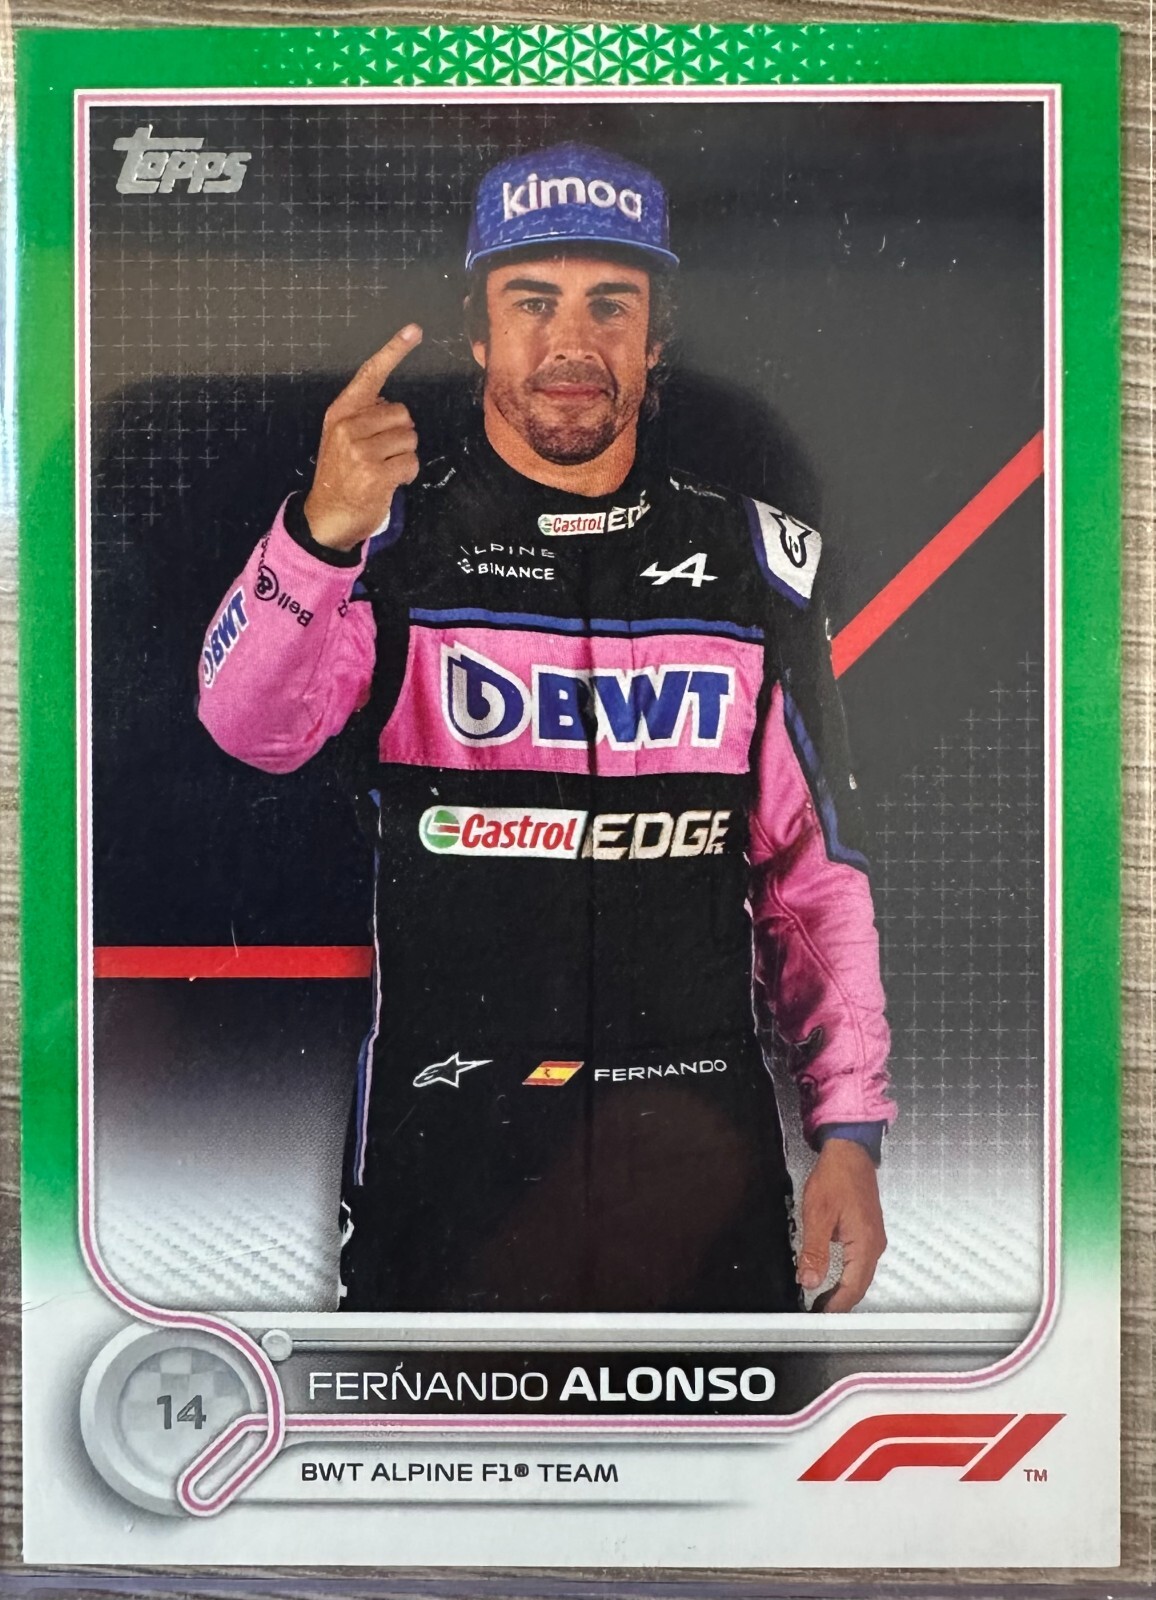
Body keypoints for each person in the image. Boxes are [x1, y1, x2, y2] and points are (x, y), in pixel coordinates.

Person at [198, 141, 895, 1315]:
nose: (572, 344)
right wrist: (316, 536)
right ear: (477, 333)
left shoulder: (755, 563)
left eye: (609, 304)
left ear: (654, 338)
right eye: (532, 302)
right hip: (446, 1152)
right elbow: (249, 727)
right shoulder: (386, 545)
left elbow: (811, 874)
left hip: (697, 1157)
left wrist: (850, 1131)